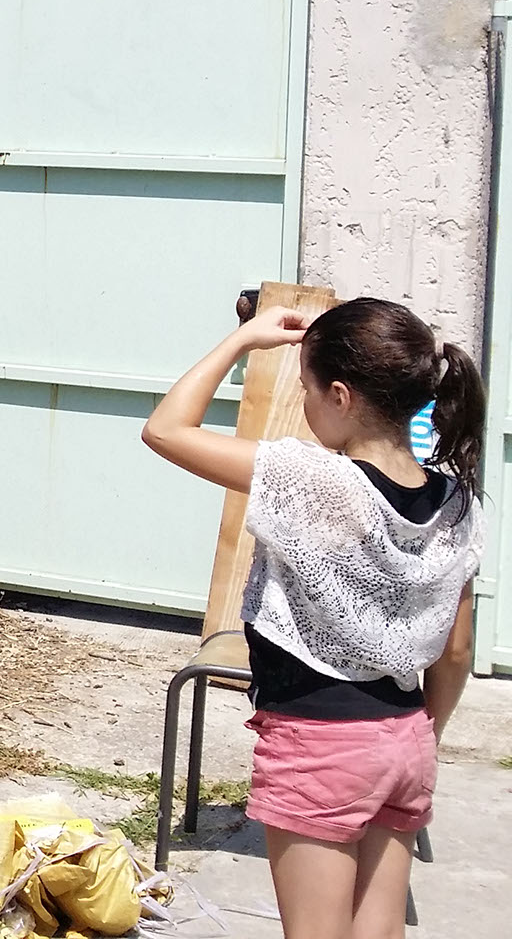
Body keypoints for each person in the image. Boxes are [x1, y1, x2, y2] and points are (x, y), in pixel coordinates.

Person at [142, 299, 485, 939]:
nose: (303, 401)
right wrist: (422, 733)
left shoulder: (311, 479)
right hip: (406, 735)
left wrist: (243, 340)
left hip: (318, 741)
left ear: (340, 395)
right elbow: (458, 649)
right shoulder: (458, 502)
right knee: (378, 930)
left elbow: (165, 430)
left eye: (305, 387)